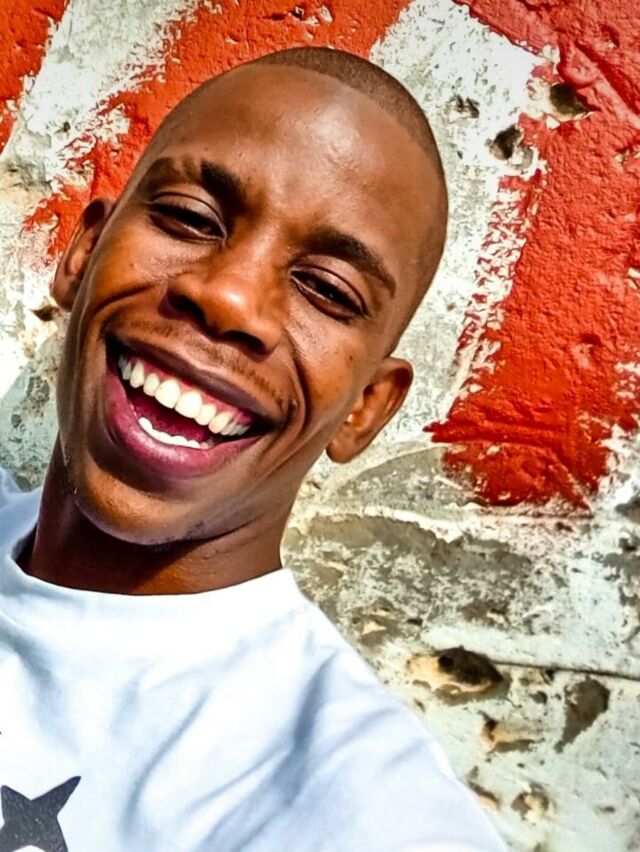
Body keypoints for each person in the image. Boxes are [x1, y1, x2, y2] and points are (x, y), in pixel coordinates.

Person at [0, 47, 506, 851]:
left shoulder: (360, 812)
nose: (229, 297)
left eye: (328, 291)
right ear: (82, 253)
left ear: (365, 409)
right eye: (190, 219)